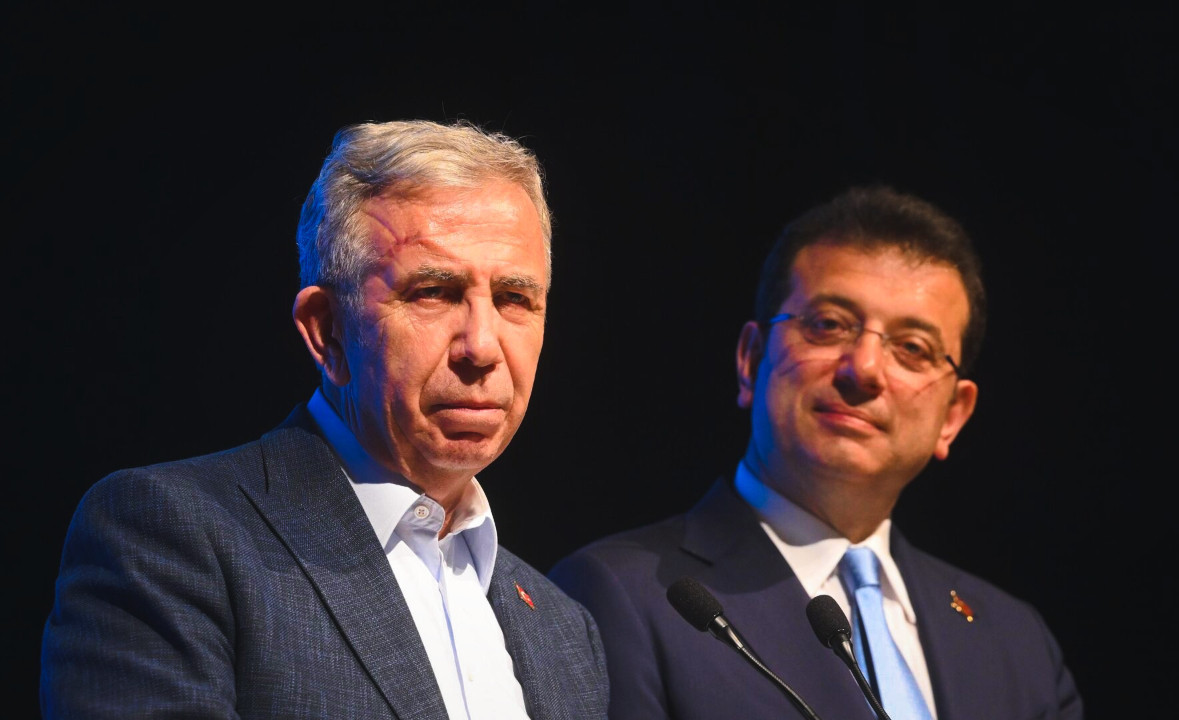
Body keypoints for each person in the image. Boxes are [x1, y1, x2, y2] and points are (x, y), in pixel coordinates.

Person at [41, 120, 608, 719]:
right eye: (434, 292)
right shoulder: (170, 540)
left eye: (515, 299)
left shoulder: (566, 633)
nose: (483, 347)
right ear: (327, 331)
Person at [549, 185, 1083, 720]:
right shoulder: (618, 595)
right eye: (828, 325)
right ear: (750, 360)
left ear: (952, 417)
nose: (864, 369)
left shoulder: (1019, 645)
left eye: (912, 349)